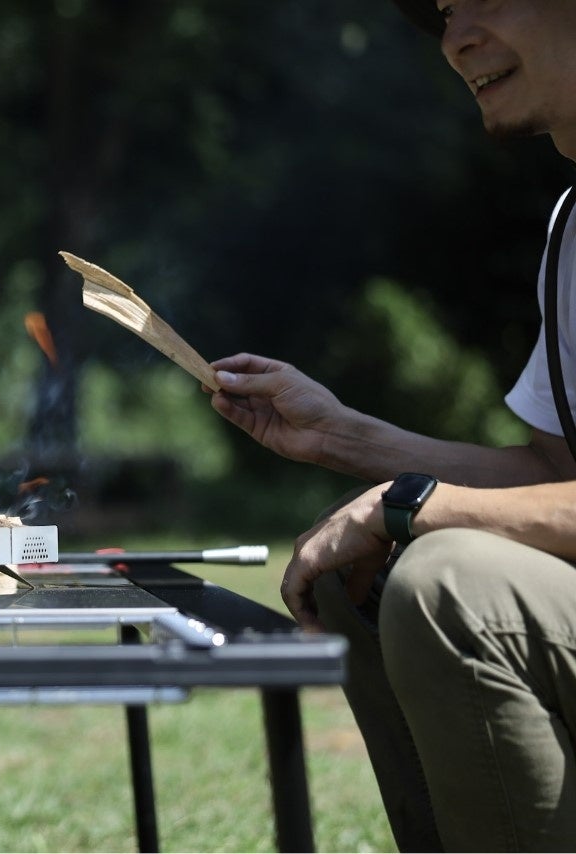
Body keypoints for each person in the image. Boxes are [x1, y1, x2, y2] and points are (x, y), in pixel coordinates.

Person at [206, 1, 576, 850]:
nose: (455, 38)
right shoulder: (572, 227)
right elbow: (556, 476)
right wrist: (344, 438)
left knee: (450, 582)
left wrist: (413, 506)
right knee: (361, 573)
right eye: (444, 11)